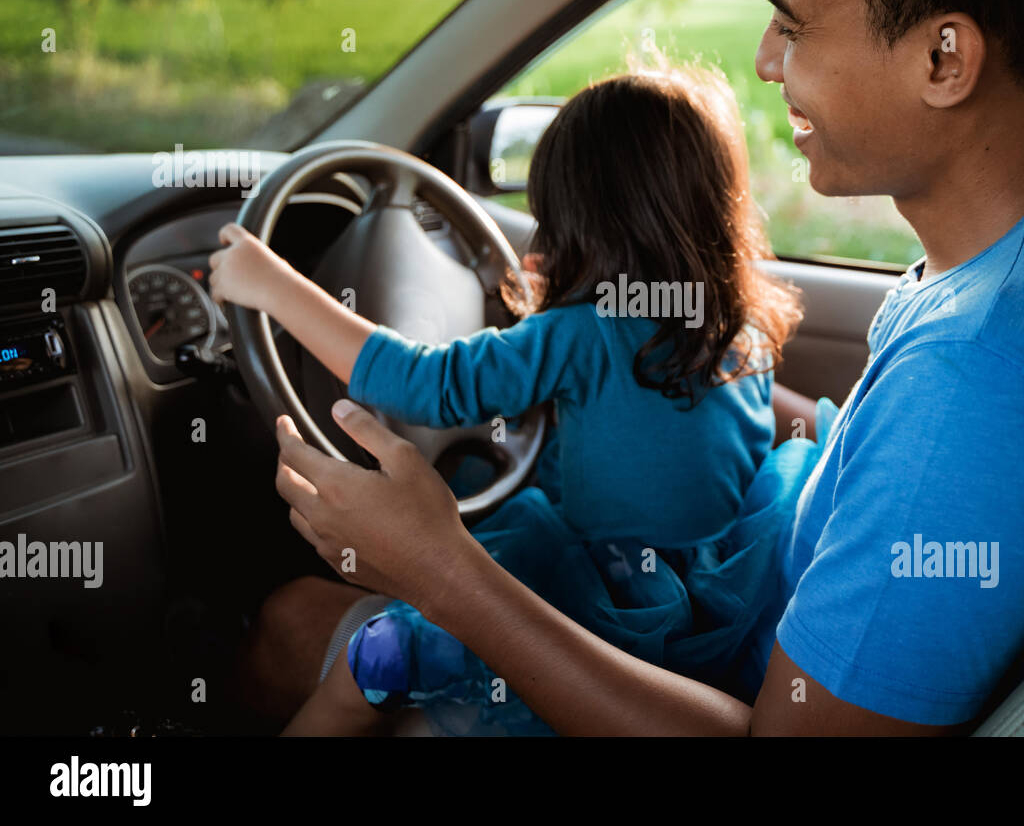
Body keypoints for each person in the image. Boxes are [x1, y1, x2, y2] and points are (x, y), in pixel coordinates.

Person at [238, 0, 1024, 735]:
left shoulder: (985, 382)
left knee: (291, 629)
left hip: (718, 681)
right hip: (738, 621)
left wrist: (442, 569)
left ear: (944, 58)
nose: (768, 61)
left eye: (794, 22)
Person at [210, 64, 810, 734]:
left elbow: (423, 383)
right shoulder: (741, 326)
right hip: (716, 598)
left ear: (581, 223)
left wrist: (273, 286)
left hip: (591, 599)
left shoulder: (578, 333)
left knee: (371, 667)